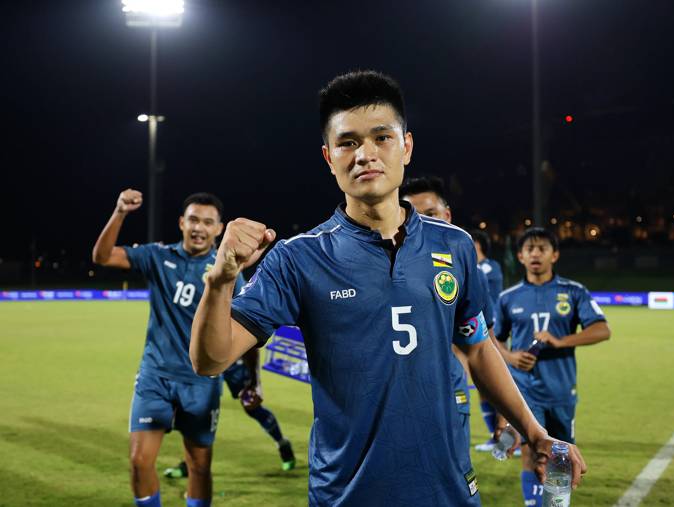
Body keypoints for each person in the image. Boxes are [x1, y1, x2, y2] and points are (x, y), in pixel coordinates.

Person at [190, 70, 587, 506]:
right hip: (348, 494)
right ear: (328, 157)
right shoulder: (297, 258)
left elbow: (476, 348)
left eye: (381, 138)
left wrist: (535, 433)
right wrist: (221, 280)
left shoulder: (454, 246)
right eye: (347, 143)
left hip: (449, 491)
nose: (365, 154)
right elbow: (211, 359)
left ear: (406, 147)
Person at [93, 191, 245, 507]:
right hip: (155, 376)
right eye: (193, 219)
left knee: (199, 467)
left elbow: (243, 328)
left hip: (200, 382)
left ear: (219, 229)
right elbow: (103, 256)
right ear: (181, 222)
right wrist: (120, 212)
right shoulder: (159, 257)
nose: (199, 228)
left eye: (207, 222)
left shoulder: (228, 272)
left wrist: (249, 380)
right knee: (139, 460)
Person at [493, 227, 610, 506]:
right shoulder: (508, 297)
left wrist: (560, 341)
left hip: (560, 389)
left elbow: (602, 330)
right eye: (529, 249)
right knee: (530, 451)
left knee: (559, 455)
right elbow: (492, 340)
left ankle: (555, 503)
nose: (536, 254)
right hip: (524, 390)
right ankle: (534, 503)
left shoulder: (573, 291)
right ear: (520, 256)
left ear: (554, 255)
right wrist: (510, 357)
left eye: (542, 249)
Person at [399, 176, 496, 446]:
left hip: (450, 392)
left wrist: (501, 407)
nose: (422, 224)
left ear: (447, 215)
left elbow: (482, 345)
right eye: (412, 216)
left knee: (454, 479)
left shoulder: (465, 270)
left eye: (431, 214)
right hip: (394, 402)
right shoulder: (382, 268)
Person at [163, 347, 296, 478]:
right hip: (207, 358)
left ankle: (282, 443)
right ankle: (190, 463)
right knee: (198, 409)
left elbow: (252, 340)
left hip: (234, 358)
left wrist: (255, 381)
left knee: (251, 406)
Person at [468, 229, 506, 453]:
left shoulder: (488, 268)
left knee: (496, 383)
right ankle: (495, 437)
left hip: (493, 330)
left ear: (478, 245)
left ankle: (510, 435)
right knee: (483, 387)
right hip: (476, 331)